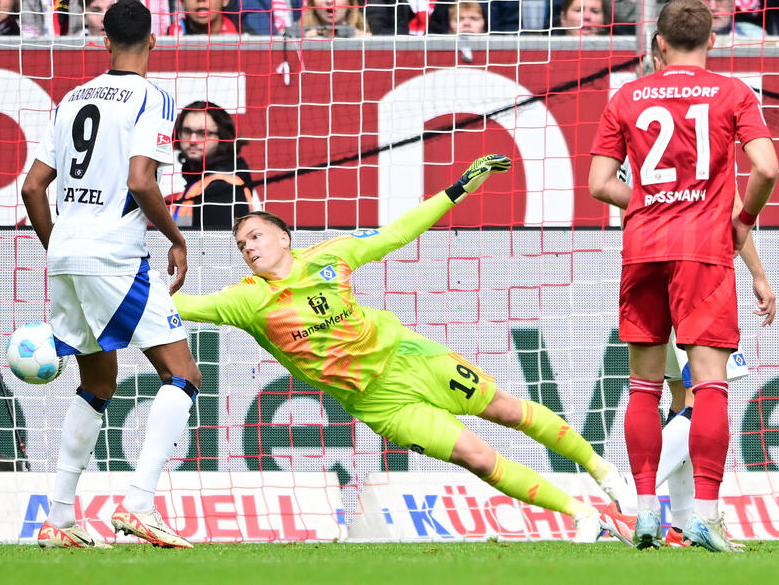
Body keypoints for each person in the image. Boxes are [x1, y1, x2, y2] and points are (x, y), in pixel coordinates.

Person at [172, 154, 637, 543]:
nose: (248, 248)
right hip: (381, 405)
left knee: (506, 410)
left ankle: (604, 471)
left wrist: (456, 190)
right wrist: (120, 287)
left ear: (283, 238)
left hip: (412, 358)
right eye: (240, 245)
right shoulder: (246, 300)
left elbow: (396, 233)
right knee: (476, 457)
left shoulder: (331, 256)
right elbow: (185, 306)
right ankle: (580, 513)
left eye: (255, 236)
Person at [588, 0, 779, 551]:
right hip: (703, 250)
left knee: (645, 386)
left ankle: (646, 512)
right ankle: (705, 516)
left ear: (660, 42)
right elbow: (765, 167)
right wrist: (742, 219)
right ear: (712, 41)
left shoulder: (625, 97)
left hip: (643, 246)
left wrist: (651, 200)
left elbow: (601, 184)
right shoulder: (734, 93)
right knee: (708, 385)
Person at [22, 0, 202, 549]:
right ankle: (140, 505)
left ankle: (58, 517)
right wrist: (176, 238)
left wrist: (63, 249)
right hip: (115, 255)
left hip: (67, 251)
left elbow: (32, 187)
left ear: (103, 41)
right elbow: (143, 181)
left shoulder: (72, 98)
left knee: (98, 382)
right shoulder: (152, 96)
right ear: (154, 40)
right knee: (184, 376)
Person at [169, 102, 257, 228]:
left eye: (203, 133)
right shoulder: (201, 183)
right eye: (187, 131)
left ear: (222, 137)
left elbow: (217, 246)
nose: (193, 140)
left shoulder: (222, 186)